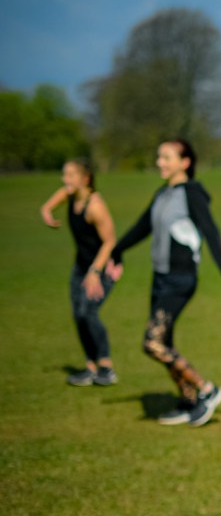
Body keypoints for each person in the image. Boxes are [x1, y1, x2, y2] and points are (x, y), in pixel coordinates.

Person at [108, 139, 221, 427]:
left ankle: (207, 389)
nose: (160, 162)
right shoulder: (163, 193)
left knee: (153, 342)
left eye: (166, 157)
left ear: (185, 162)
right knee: (165, 342)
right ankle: (189, 401)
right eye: (159, 157)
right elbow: (142, 226)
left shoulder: (192, 193)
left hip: (180, 279)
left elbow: (209, 228)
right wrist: (116, 251)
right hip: (160, 277)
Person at [40, 158, 119, 386]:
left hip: (102, 268)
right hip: (80, 267)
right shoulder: (70, 195)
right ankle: (90, 367)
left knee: (88, 313)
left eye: (70, 176)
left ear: (85, 178)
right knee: (78, 315)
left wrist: (95, 271)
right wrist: (46, 211)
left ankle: (106, 366)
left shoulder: (95, 206)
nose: (65, 181)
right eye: (64, 175)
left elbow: (109, 241)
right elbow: (52, 202)